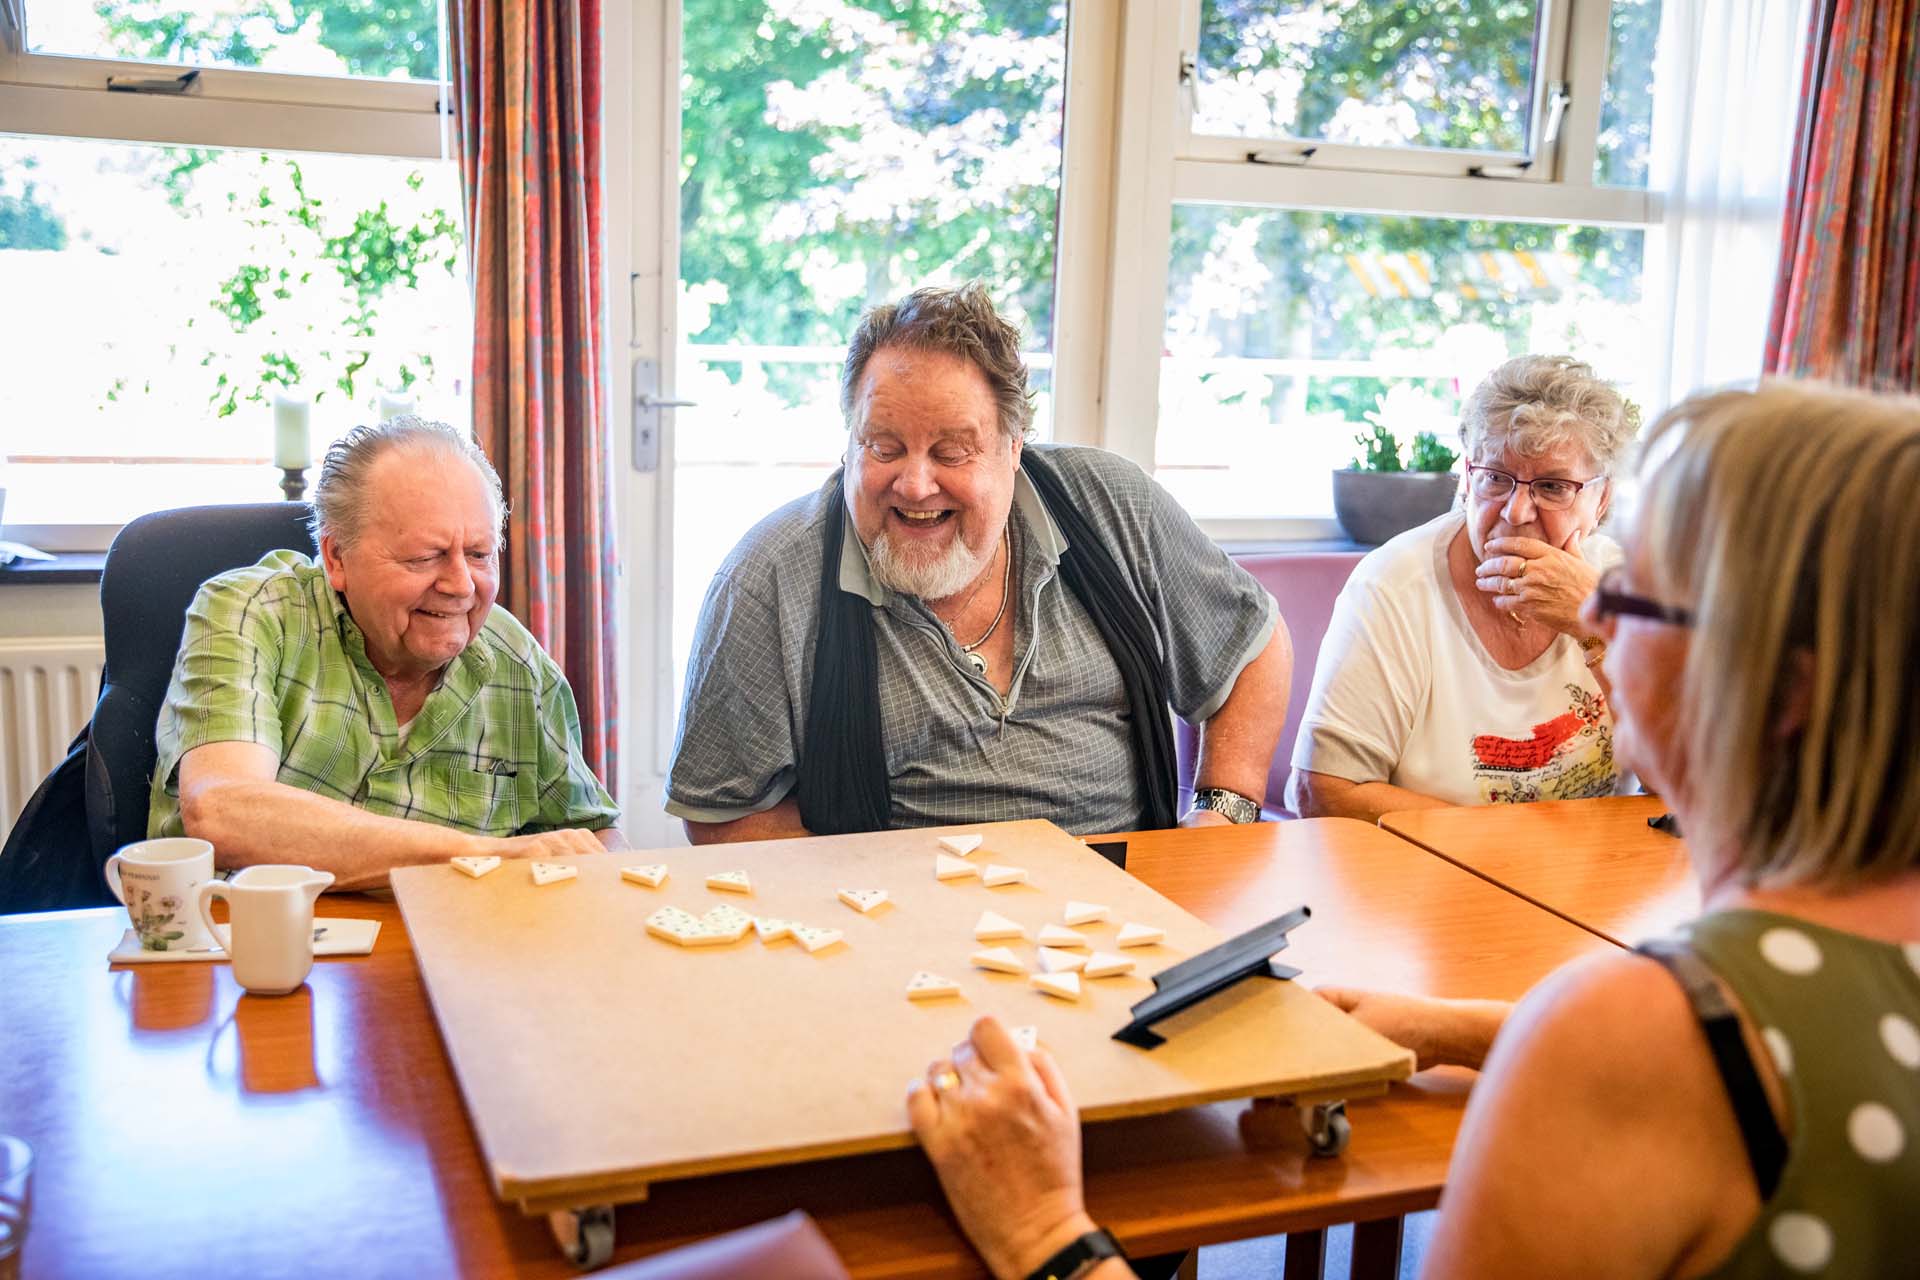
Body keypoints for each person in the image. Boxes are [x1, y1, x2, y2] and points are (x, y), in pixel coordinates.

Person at [907, 382, 1920, 1279]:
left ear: (1780, 689)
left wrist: (1046, 1230)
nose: (1595, 610)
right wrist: (1461, 1025)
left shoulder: (1636, 1035)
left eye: (1632, 595)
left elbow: (1648, 1060)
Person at [666, 284, 1291, 841]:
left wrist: (1222, 815)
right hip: (900, 933)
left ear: (1013, 448)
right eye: (884, 446)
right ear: (848, 443)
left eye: (951, 452)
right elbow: (725, 816)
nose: (914, 485)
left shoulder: (1114, 506)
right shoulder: (768, 577)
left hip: (1127, 914)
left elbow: (1253, 647)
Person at [148, 418, 624, 890]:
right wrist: (484, 854)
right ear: (336, 557)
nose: (460, 585)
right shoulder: (254, 614)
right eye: (424, 557)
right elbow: (224, 811)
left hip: (452, 949)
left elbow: (596, 835)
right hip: (250, 946)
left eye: (479, 554)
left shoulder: (516, 662)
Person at [1290, 354, 1639, 820]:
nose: (1517, 512)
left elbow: (1690, 782)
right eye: (1496, 479)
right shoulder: (1395, 585)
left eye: (1553, 487)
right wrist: (1515, 851)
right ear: (1467, 477)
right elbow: (1325, 792)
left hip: (1600, 878)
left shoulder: (1626, 583)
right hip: (1431, 878)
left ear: (1602, 499)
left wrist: (1594, 628)